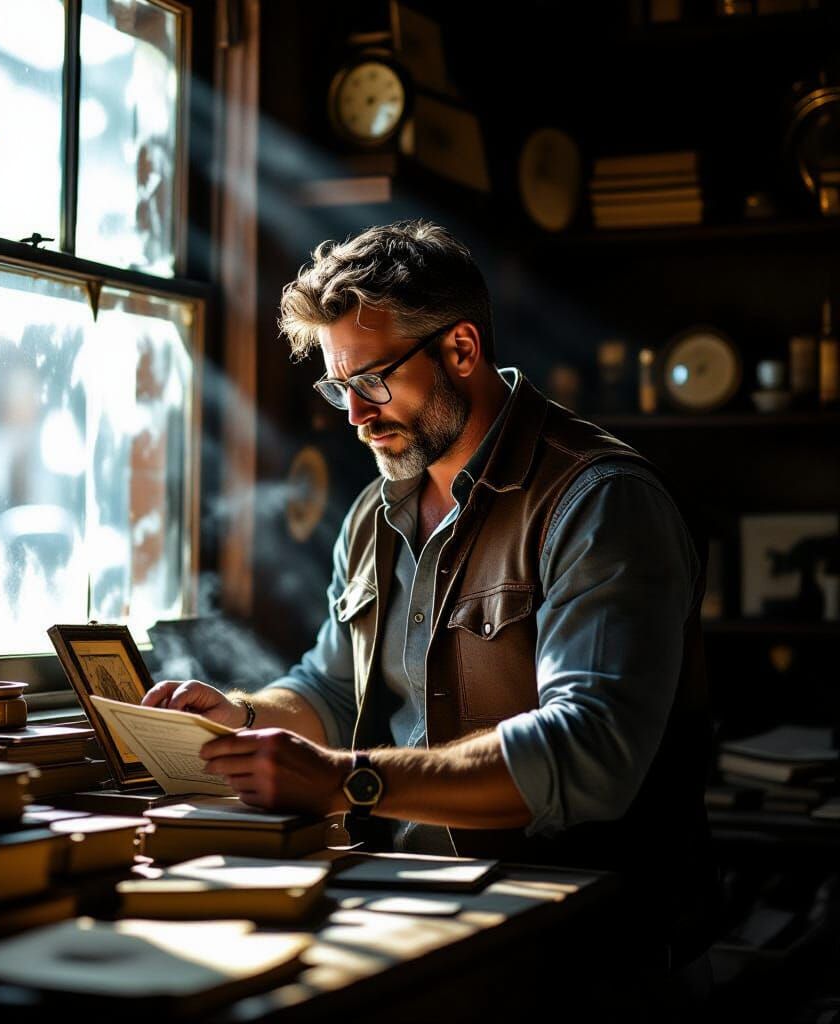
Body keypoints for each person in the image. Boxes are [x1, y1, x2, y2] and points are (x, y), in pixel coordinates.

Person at [143, 220, 719, 1007]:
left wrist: (348, 782)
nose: (354, 414)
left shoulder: (601, 502)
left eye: (373, 380)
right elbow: (331, 687)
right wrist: (242, 720)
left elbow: (591, 754)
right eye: (337, 386)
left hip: (581, 957)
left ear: (460, 350)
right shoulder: (373, 517)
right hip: (410, 921)